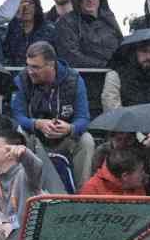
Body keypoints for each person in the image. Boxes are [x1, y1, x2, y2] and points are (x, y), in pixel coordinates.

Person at [11, 42, 94, 186]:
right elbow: (17, 115)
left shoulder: (74, 80)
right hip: (35, 138)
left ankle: (82, 196)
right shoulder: (21, 80)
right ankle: (25, 190)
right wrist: (36, 124)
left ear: (51, 65)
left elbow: (84, 118)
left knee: (86, 140)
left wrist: (70, 128)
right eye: (28, 65)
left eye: (35, 67)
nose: (30, 71)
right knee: (20, 133)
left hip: (65, 139)